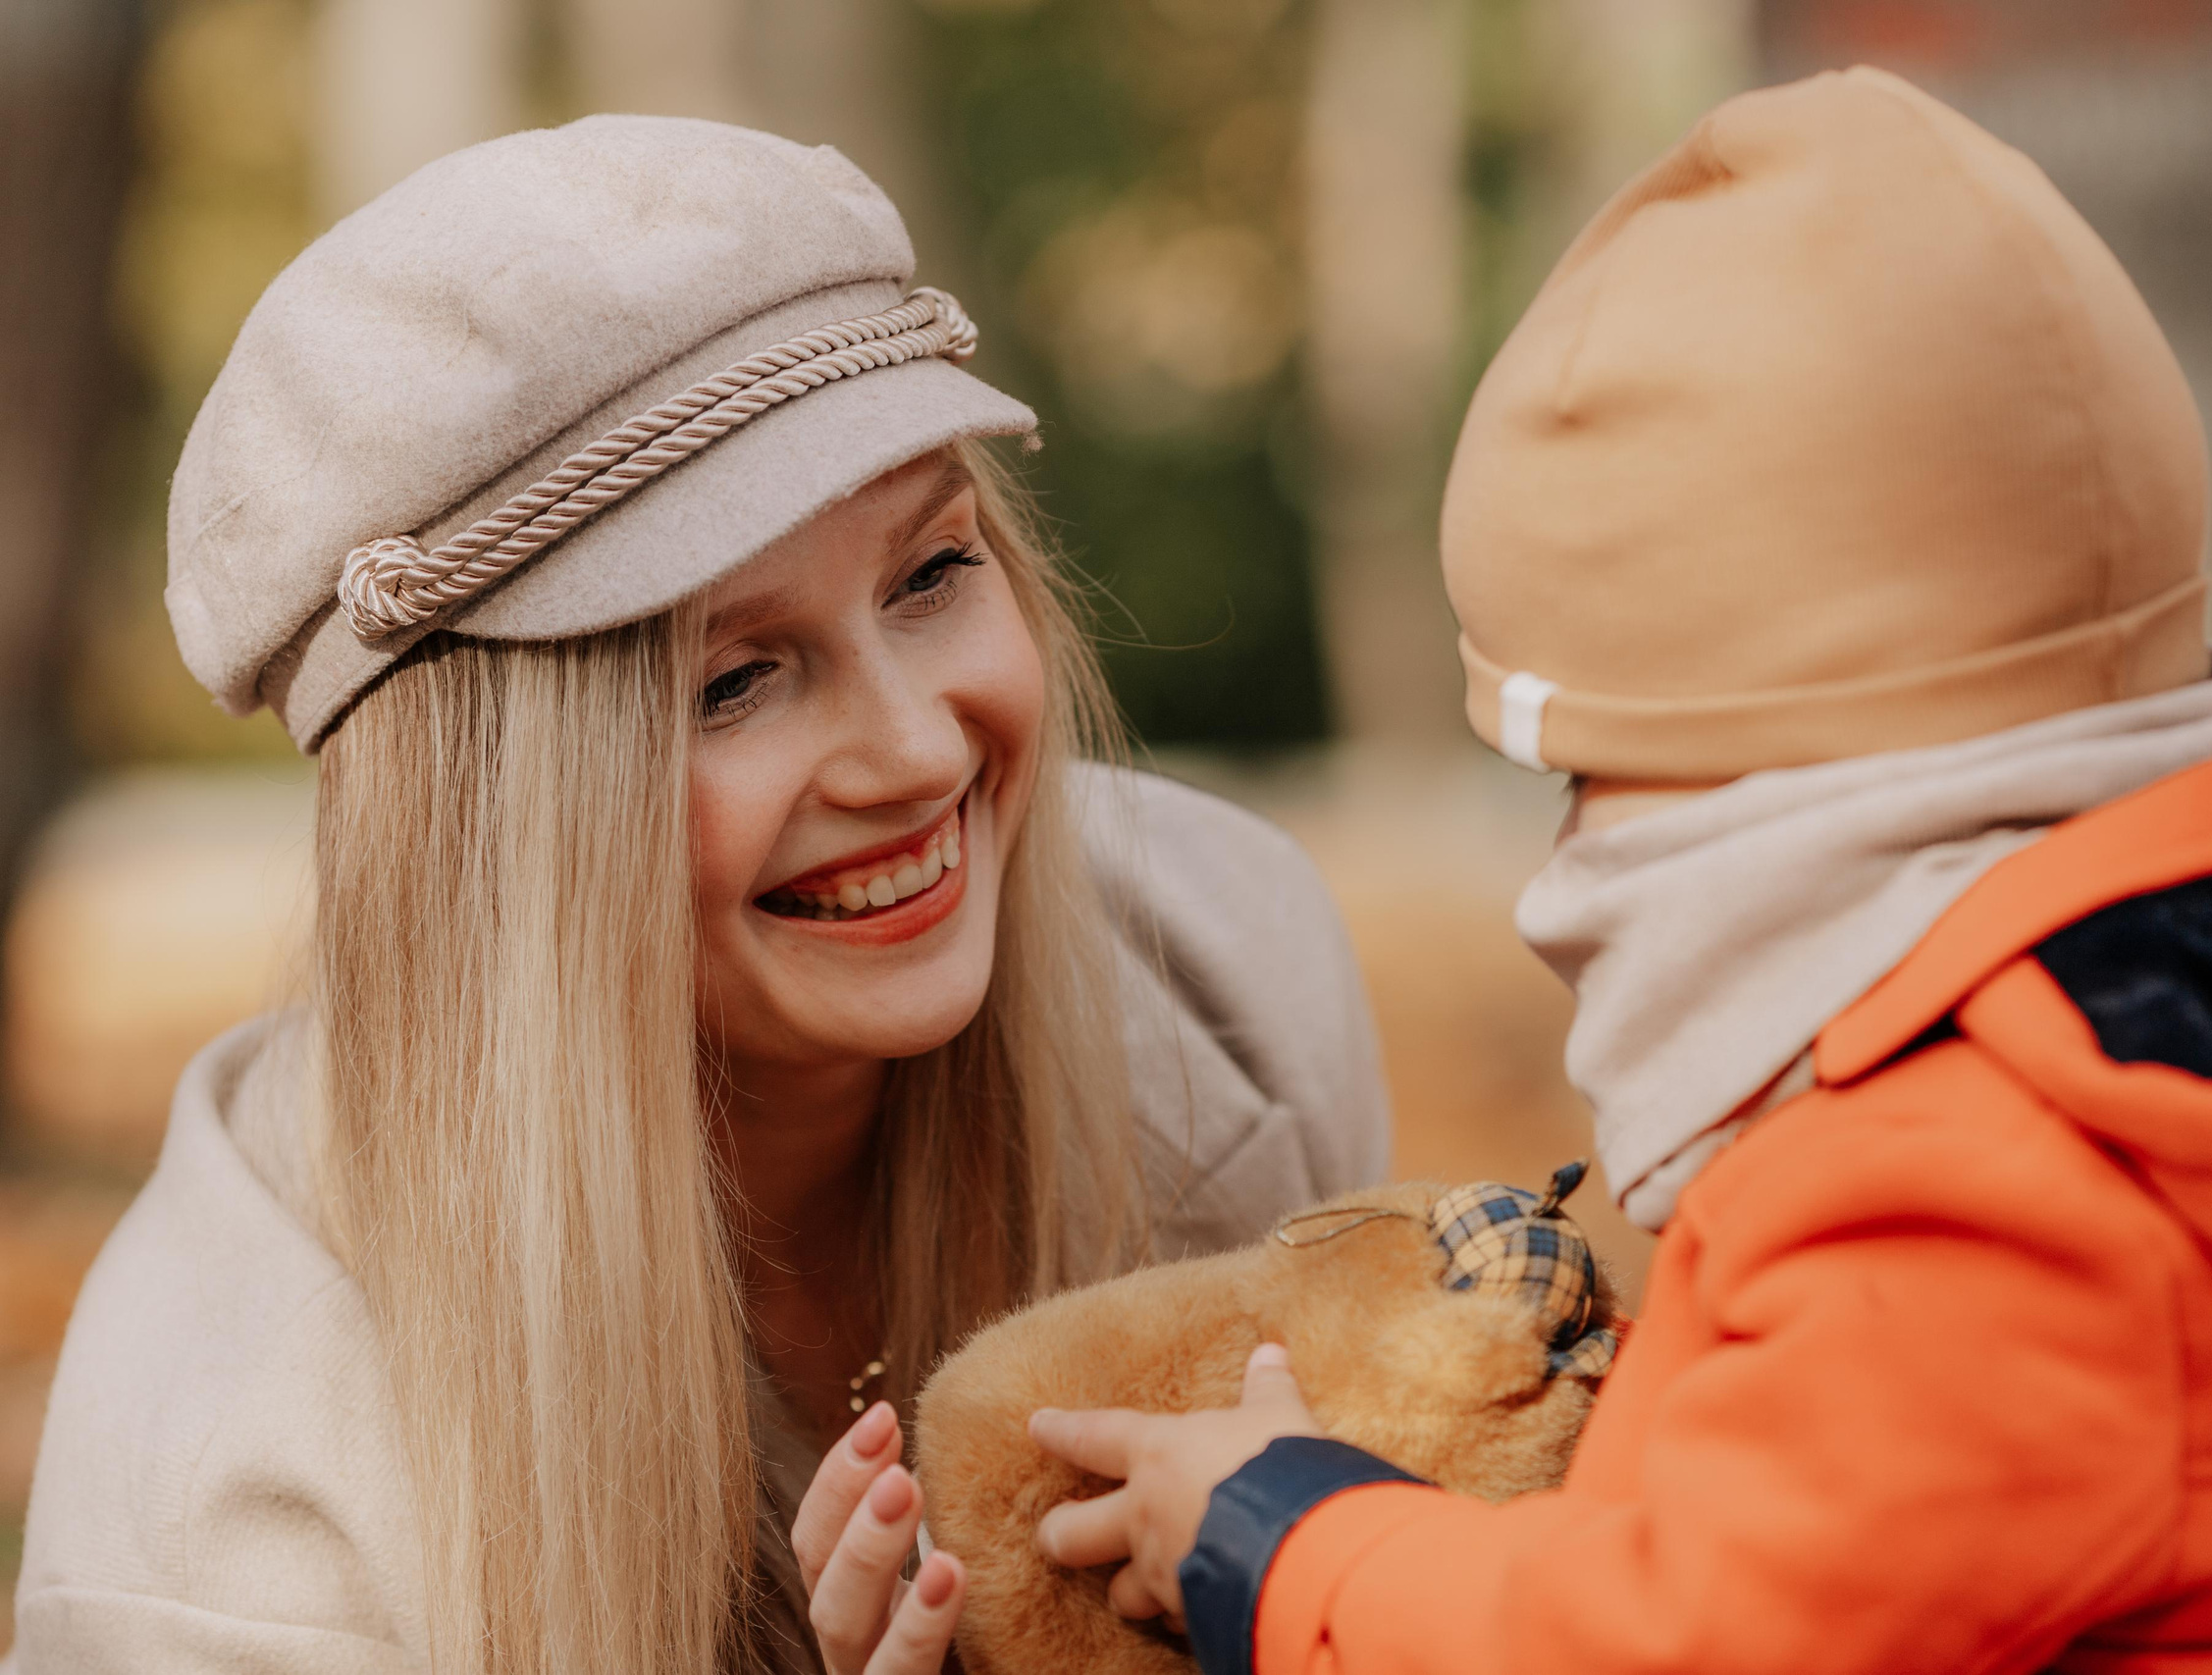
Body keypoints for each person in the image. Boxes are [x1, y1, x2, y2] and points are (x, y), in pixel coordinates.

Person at [1027, 68, 2212, 1675]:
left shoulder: (1981, 1192)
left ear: (1767, 799)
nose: (1566, 870)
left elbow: (1677, 1643)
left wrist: (1288, 1539)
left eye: (1591, 780)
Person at [8, 118, 1388, 1675]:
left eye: (930, 574)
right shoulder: (238, 1519)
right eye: (734, 681)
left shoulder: (1222, 979)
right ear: (495, 828)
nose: (916, 748)